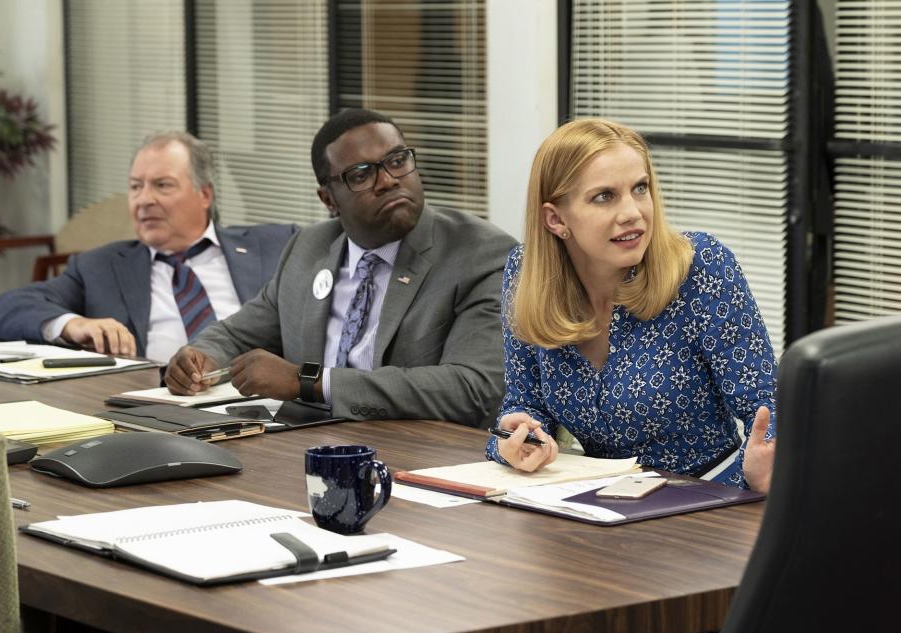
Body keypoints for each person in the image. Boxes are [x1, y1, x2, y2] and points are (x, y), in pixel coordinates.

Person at [165, 109, 517, 429]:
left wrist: (309, 381)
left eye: (396, 161)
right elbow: (239, 334)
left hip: (418, 454)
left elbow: (472, 389)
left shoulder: (479, 254)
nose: (388, 180)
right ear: (328, 199)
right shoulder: (309, 248)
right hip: (302, 443)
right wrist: (200, 358)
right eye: (361, 175)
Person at [486, 118, 776, 491]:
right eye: (604, 196)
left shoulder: (700, 266)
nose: (633, 212)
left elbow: (770, 411)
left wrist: (750, 480)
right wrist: (514, 438)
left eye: (640, 189)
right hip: (587, 501)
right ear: (556, 219)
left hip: (703, 497)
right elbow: (523, 403)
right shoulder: (526, 273)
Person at [0, 131, 297, 363]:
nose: (144, 200)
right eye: (136, 187)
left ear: (204, 195)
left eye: (162, 185)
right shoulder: (100, 267)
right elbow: (5, 308)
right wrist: (73, 324)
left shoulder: (276, 246)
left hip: (265, 406)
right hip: (158, 408)